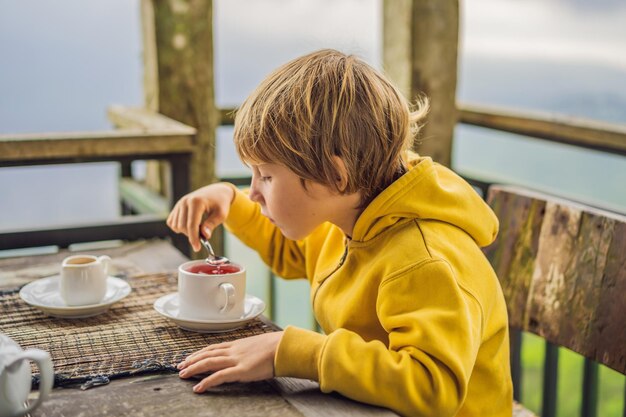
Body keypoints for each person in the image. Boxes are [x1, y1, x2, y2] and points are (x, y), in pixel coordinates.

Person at [167, 49, 512, 417]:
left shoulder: (423, 261)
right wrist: (229, 201)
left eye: (265, 176)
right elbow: (292, 252)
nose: (253, 191)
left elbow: (432, 387)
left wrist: (298, 352)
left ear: (335, 175)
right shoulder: (347, 215)